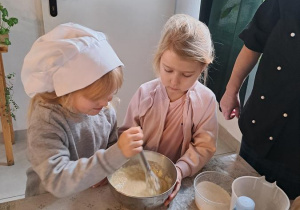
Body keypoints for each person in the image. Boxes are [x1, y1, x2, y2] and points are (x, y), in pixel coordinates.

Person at [21, 23, 144, 198]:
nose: (106, 102)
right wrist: (113, 157)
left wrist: (107, 168)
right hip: (48, 199)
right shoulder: (47, 121)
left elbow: (110, 147)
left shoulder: (105, 111)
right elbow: (58, 181)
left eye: (110, 94)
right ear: (66, 93)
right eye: (96, 97)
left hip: (85, 194)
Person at [118, 14, 218, 206]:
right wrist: (123, 151)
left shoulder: (206, 101)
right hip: (139, 172)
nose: (174, 81)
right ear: (159, 58)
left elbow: (204, 147)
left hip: (179, 176)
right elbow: (126, 134)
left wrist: (180, 170)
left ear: (202, 68)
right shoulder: (144, 93)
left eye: (186, 74)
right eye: (168, 70)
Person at [220, 0, 300, 199]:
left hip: (296, 150)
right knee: (240, 196)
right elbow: (254, 42)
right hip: (260, 124)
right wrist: (231, 90)